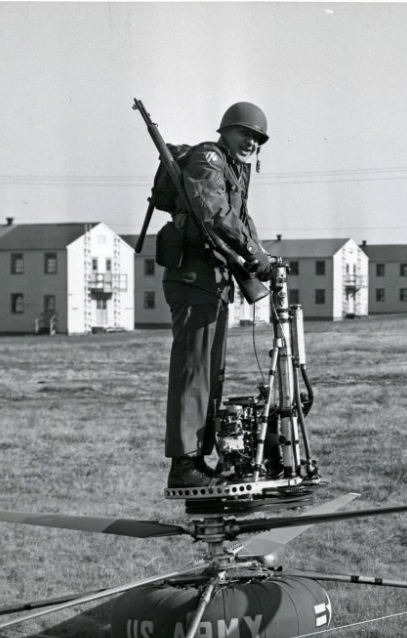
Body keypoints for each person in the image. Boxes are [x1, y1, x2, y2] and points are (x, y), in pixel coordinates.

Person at [162, 101, 274, 488]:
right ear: (226, 130)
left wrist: (261, 256)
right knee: (193, 371)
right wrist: (253, 254)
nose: (251, 143)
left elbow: (241, 221)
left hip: (214, 280)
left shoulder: (236, 171)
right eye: (246, 134)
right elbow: (213, 214)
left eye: (258, 140)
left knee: (211, 375)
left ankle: (199, 460)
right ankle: (184, 465)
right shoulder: (209, 159)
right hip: (193, 277)